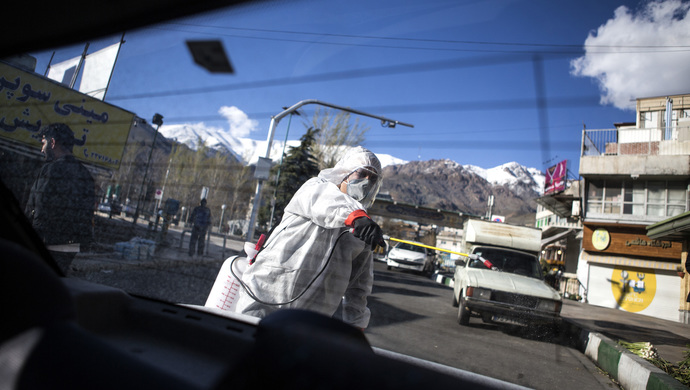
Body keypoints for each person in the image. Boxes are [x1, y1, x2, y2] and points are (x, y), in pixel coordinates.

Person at [235, 146, 385, 330]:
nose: (366, 181)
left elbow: (359, 283)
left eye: (373, 178)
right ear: (344, 173)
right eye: (362, 173)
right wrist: (356, 217)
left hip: (312, 315)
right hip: (265, 292)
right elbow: (327, 203)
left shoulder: (363, 228)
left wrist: (356, 323)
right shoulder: (315, 189)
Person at [24, 123, 96, 274]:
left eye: (43, 143)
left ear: (53, 143)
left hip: (45, 243)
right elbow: (87, 214)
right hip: (70, 246)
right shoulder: (86, 175)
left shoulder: (51, 169)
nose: (41, 149)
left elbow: (39, 208)